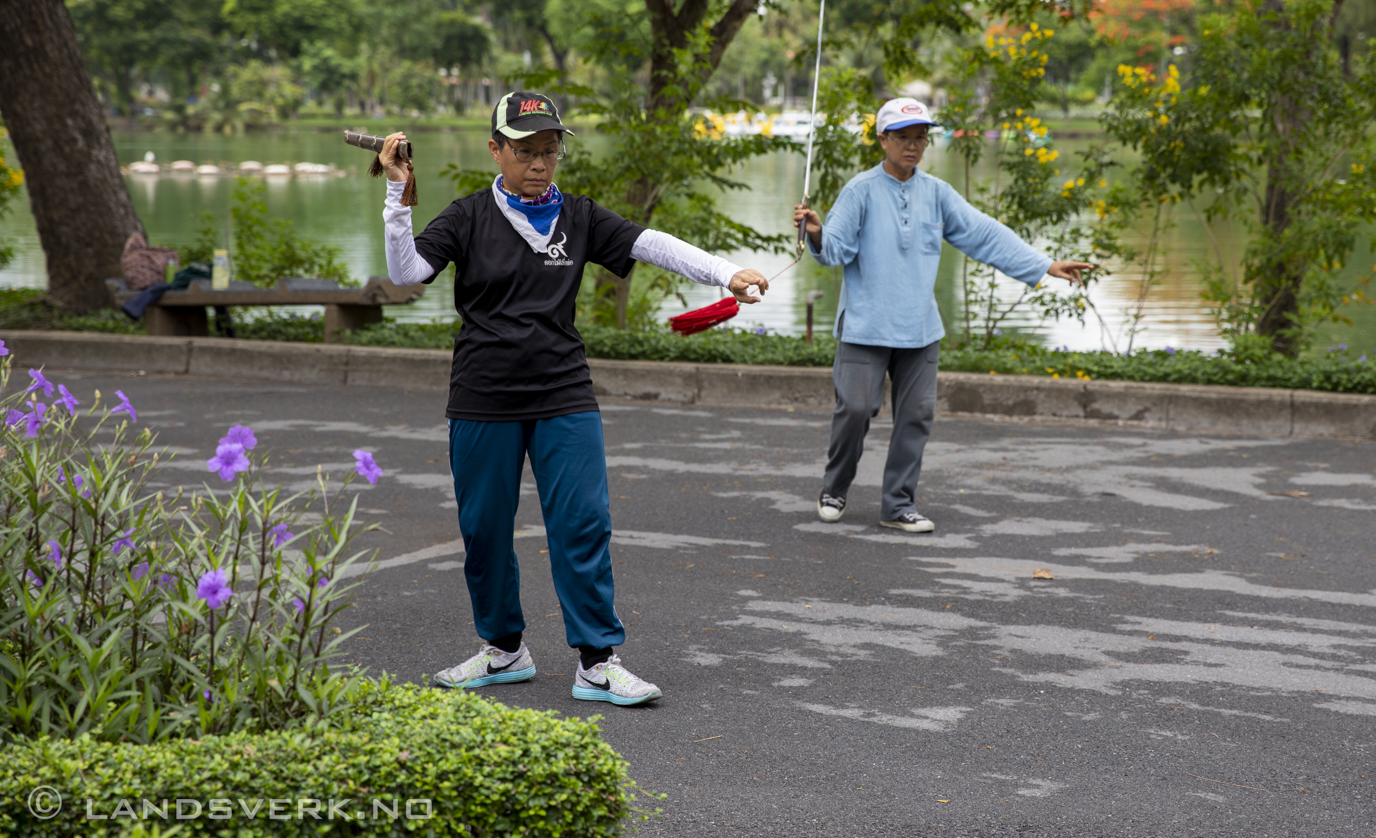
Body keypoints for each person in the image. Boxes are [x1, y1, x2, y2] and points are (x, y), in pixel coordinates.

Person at [380, 90, 770, 704]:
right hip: (484, 395)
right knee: (484, 529)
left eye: (550, 151)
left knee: (583, 523)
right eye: (526, 150)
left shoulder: (580, 216)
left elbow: (650, 243)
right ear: (496, 150)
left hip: (564, 390)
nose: (540, 163)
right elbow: (406, 273)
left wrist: (726, 273)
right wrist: (396, 194)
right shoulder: (467, 216)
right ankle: (503, 651)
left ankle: (597, 661)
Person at [792, 97, 1092, 534]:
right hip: (865, 324)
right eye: (902, 138)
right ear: (883, 140)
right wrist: (817, 233)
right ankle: (835, 486)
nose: (912, 147)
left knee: (915, 418)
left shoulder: (937, 193)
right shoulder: (860, 190)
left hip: (919, 328)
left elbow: (984, 234)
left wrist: (1044, 265)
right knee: (855, 408)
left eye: (920, 138)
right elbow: (835, 250)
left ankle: (897, 504)